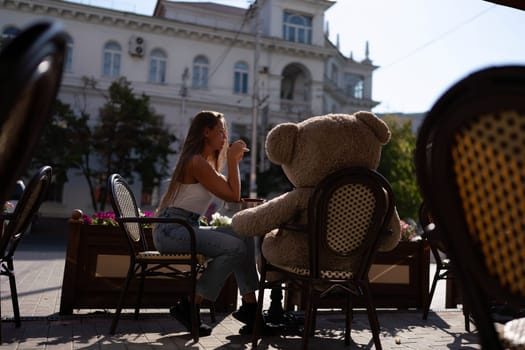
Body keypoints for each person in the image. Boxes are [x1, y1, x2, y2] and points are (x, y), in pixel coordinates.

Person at [153, 110, 259, 337]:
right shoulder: (195, 162)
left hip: (188, 227)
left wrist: (232, 162)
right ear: (206, 132)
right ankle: (190, 305)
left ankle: (251, 308)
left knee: (242, 233)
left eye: (225, 133)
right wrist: (232, 160)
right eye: (221, 132)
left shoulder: (206, 165)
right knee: (235, 248)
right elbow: (233, 196)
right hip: (172, 229)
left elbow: (234, 194)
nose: (225, 138)